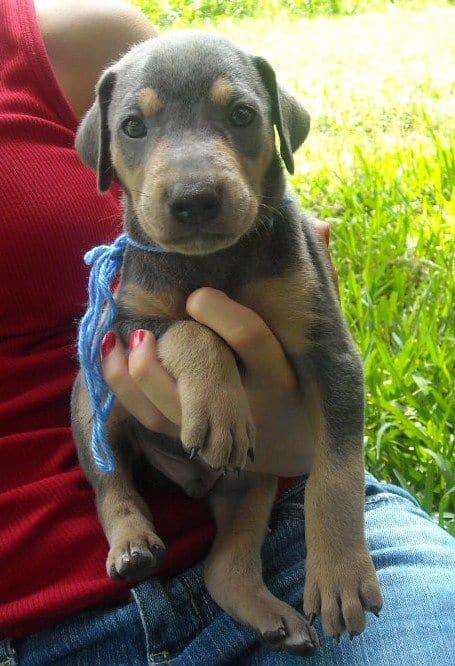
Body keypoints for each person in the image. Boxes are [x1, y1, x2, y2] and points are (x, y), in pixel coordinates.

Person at [0, 0, 453, 664]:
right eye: (136, 128)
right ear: (107, 160)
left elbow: (333, 369)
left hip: (283, 524)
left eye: (237, 116)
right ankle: (120, 505)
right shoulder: (142, 262)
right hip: (54, 590)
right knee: (89, 386)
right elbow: (136, 330)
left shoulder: (72, 38)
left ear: (277, 131)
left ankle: (233, 566)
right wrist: (191, 346)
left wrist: (333, 520)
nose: (191, 179)